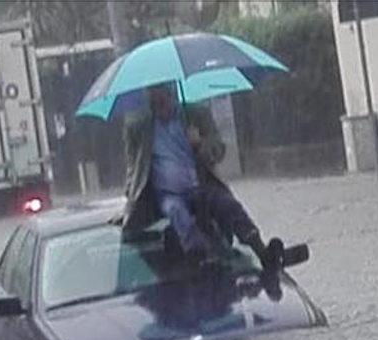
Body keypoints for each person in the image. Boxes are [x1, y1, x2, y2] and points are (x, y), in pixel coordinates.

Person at [111, 84, 280, 271]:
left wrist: (199, 143)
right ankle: (199, 254)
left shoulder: (196, 115)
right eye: (154, 105)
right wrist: (129, 203)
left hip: (201, 187)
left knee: (227, 204)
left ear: (173, 96)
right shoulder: (138, 127)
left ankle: (261, 249)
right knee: (176, 211)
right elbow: (133, 168)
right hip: (168, 194)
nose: (160, 110)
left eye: (163, 103)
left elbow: (218, 151)